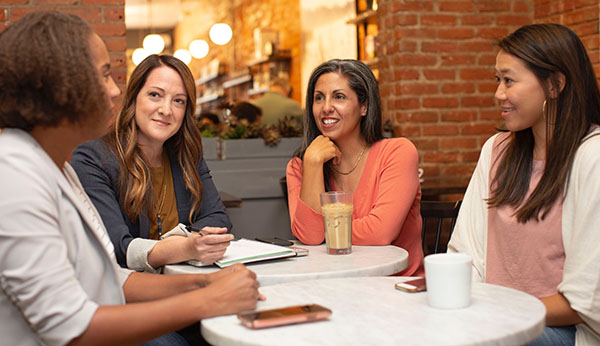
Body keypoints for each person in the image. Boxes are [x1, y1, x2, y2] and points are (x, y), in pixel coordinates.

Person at [0, 11, 261, 346]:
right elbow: (71, 329)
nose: (113, 92)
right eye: (105, 75)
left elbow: (113, 277)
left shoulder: (56, 168)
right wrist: (207, 299)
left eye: (178, 101)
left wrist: (204, 284)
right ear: (59, 86)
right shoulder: (13, 172)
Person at [448, 23, 600, 345]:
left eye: (509, 80)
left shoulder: (592, 156)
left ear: (555, 84)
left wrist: (499, 314)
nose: (498, 94)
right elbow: (466, 252)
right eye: (497, 80)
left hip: (561, 330)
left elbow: (584, 301)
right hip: (492, 318)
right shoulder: (496, 150)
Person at [71, 54, 233, 273]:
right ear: (134, 98)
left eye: (178, 101)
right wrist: (185, 247)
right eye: (155, 95)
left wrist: (184, 245)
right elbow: (115, 246)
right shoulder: (93, 159)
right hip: (127, 293)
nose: (166, 110)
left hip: (185, 284)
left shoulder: (187, 154)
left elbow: (218, 219)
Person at [286, 59, 424, 276]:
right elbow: (310, 237)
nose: (326, 108)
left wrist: (325, 230)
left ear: (364, 106)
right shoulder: (300, 166)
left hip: (397, 289)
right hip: (337, 286)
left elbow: (380, 233)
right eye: (319, 98)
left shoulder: (397, 152)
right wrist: (312, 163)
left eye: (339, 97)